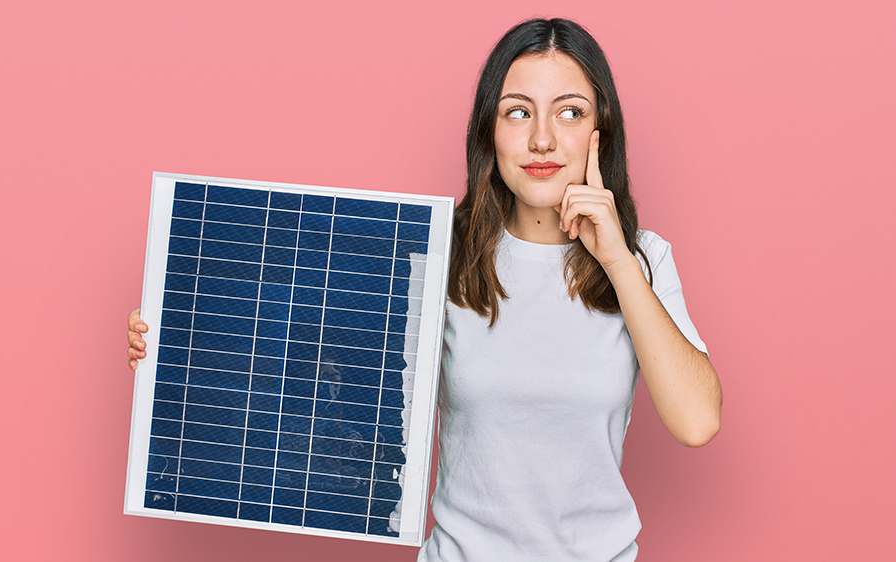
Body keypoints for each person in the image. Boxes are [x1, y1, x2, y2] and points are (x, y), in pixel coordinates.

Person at [128, 17, 721, 562]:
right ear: (489, 130)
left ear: (600, 131)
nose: (543, 139)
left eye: (568, 112)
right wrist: (182, 348)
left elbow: (698, 422)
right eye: (518, 112)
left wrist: (617, 259)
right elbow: (321, 387)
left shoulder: (643, 259)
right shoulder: (441, 253)